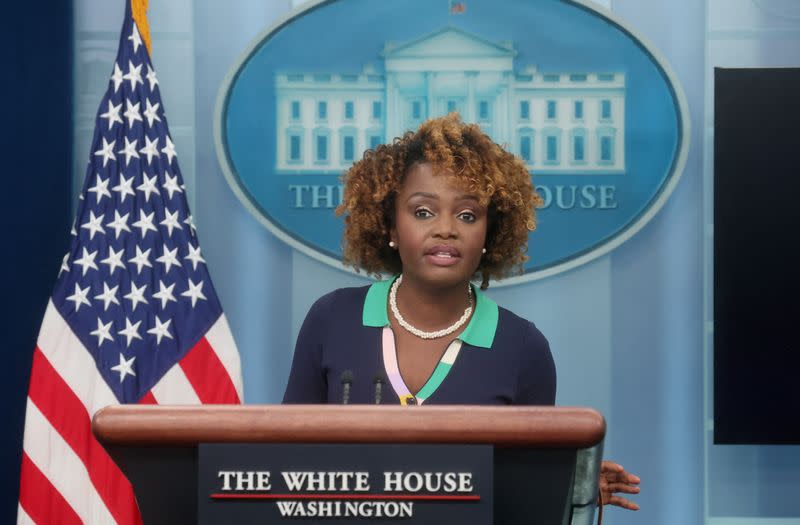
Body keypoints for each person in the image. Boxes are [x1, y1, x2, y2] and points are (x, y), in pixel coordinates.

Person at [283, 113, 640, 510]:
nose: (446, 229)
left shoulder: (522, 347)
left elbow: (522, 493)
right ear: (390, 226)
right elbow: (286, 467)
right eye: (423, 212)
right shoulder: (332, 319)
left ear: (490, 233)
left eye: (468, 215)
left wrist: (570, 490)